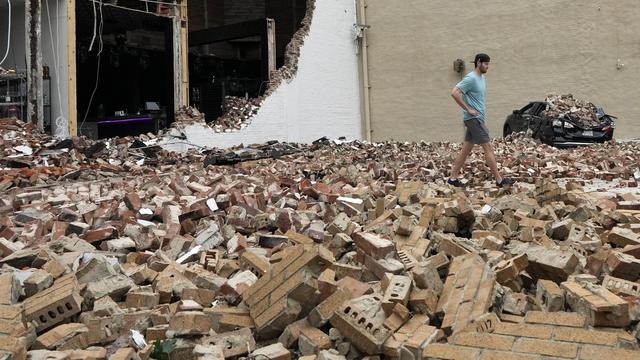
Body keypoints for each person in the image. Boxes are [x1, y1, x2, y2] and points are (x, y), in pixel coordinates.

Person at [448, 53, 514, 188]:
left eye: (489, 64)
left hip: (478, 118)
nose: (488, 67)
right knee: (488, 147)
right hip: (474, 119)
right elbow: (454, 92)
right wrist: (468, 109)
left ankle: (452, 179)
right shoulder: (470, 78)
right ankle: (499, 180)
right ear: (478, 62)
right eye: (486, 64)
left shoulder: (481, 78)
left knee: (466, 150)